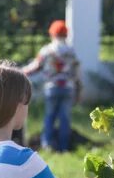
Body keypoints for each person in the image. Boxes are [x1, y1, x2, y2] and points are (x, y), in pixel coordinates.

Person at [22, 20, 82, 152]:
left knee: (49, 116)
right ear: (66, 35)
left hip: (51, 88)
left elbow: (35, 66)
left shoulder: (47, 50)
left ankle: (47, 144)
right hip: (67, 88)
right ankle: (64, 147)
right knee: (65, 118)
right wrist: (78, 90)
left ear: (52, 34)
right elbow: (77, 73)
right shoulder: (72, 52)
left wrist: (20, 71)